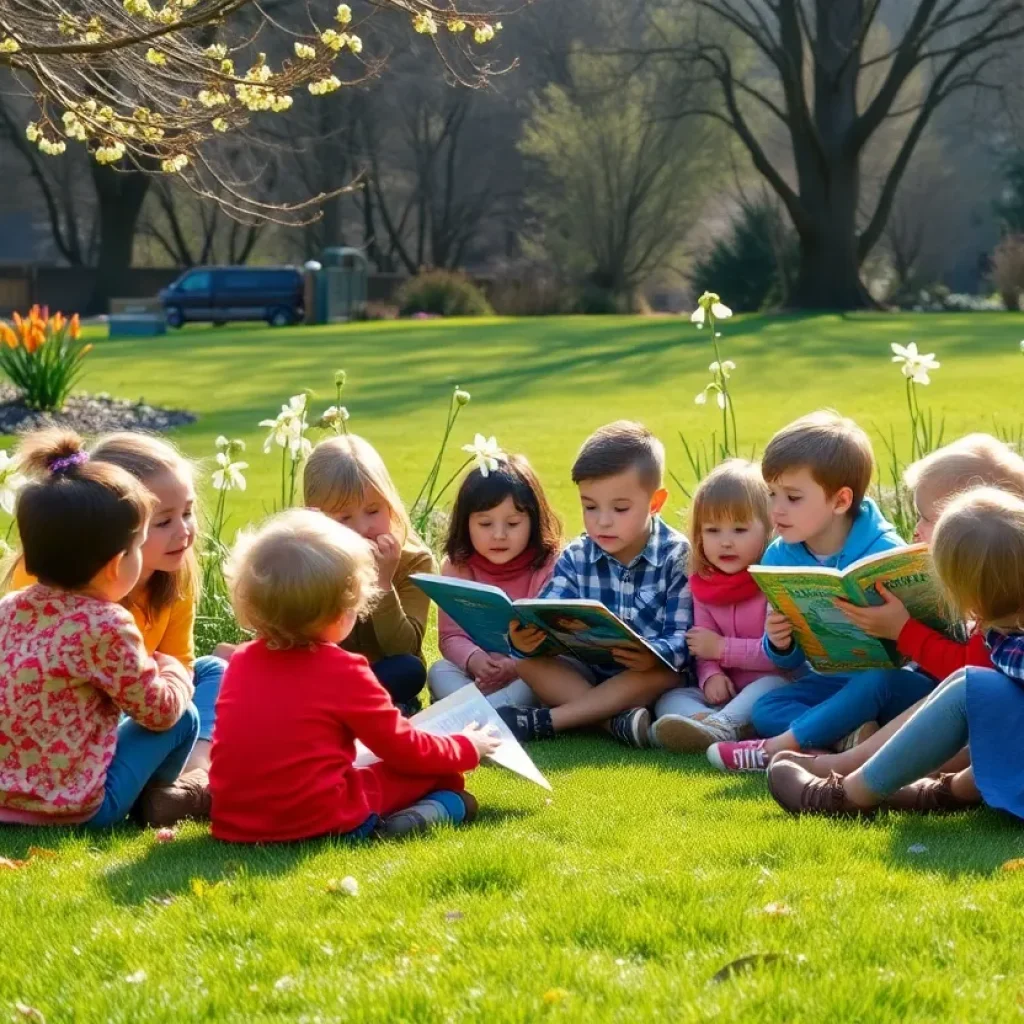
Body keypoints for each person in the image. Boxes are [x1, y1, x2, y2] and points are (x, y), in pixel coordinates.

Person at [210, 509, 499, 843]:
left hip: (235, 823)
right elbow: (403, 748)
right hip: (321, 817)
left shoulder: (242, 662)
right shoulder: (343, 669)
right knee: (439, 774)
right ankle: (442, 808)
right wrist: (465, 747)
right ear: (339, 611)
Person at [770, 432, 1024, 779]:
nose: (915, 530)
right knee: (771, 705)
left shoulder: (1000, 607)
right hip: (922, 699)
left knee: (886, 688)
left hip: (965, 723)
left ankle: (803, 754)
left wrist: (903, 631)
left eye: (927, 518)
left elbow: (967, 674)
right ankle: (838, 745)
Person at [0, 429, 205, 829]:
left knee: (204, 674)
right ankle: (149, 803)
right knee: (185, 716)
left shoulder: (9, 608)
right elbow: (160, 714)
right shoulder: (105, 623)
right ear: (116, 564)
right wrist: (175, 673)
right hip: (74, 810)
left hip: (6, 798)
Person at [707, 411, 906, 772]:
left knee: (876, 678)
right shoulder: (778, 556)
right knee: (767, 708)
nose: (776, 510)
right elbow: (789, 662)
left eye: (793, 498)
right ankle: (846, 741)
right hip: (827, 682)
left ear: (841, 501)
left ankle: (775, 749)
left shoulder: (887, 551)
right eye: (771, 493)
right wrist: (779, 642)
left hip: (892, 685)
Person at [497, 421, 692, 749]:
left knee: (666, 673)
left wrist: (655, 656)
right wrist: (524, 638)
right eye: (590, 507)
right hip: (584, 674)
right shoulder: (577, 554)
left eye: (620, 508)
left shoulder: (678, 555)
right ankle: (613, 723)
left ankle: (552, 721)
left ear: (655, 502)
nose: (602, 521)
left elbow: (682, 636)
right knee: (527, 662)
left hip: (644, 679)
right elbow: (546, 610)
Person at [652, 460, 789, 752]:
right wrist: (711, 673)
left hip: (774, 684)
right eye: (713, 531)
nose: (725, 542)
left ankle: (720, 727)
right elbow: (702, 645)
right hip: (728, 690)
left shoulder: (773, 583)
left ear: (768, 530)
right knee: (669, 698)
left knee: (770, 689)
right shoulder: (703, 584)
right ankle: (708, 724)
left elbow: (779, 657)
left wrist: (721, 649)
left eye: (739, 530)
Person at [304, 434, 436, 716]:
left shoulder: (414, 561)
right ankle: (352, 708)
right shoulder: (303, 561)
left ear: (390, 504)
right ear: (314, 517)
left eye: (373, 511)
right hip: (326, 674)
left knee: (408, 671)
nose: (363, 528)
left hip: (383, 673)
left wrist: (382, 583)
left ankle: (351, 708)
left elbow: (404, 647)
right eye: (344, 518)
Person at [429, 454, 562, 709]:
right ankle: (494, 712)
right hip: (477, 676)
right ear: (465, 523)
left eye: (512, 523)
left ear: (534, 521)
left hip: (527, 672)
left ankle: (481, 712)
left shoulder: (548, 565)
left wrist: (513, 666)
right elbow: (450, 636)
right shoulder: (458, 566)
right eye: (485, 523)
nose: (499, 535)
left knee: (540, 678)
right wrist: (475, 660)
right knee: (438, 671)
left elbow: (551, 641)